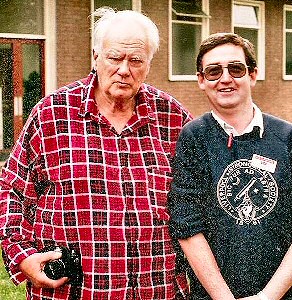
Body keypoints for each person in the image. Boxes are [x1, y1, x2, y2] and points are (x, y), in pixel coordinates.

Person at [0, 7, 192, 300]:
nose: (124, 69)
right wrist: (21, 255)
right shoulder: (52, 115)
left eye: (136, 60)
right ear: (95, 57)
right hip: (70, 293)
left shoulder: (174, 118)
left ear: (149, 64)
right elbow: (12, 190)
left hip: (158, 291)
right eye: (115, 57)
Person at [168, 32, 292, 300]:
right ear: (201, 80)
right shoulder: (193, 138)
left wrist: (268, 296)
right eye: (213, 71)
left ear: (252, 75)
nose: (225, 78)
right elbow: (186, 225)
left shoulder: (287, 137)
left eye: (235, 69)